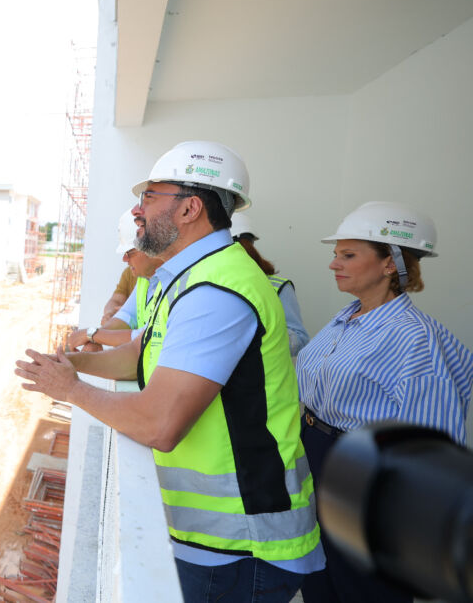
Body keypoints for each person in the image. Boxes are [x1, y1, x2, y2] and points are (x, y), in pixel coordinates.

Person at [16, 141, 323, 603]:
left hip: (241, 545)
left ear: (190, 208)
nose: (137, 210)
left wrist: (72, 389)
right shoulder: (187, 278)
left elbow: (160, 424)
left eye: (150, 196)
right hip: (217, 541)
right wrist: (74, 363)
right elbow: (140, 354)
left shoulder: (217, 290)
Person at [295, 201, 473, 603]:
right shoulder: (346, 319)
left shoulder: (416, 339)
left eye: (348, 255)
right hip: (318, 460)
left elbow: (432, 440)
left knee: (363, 588)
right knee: (320, 580)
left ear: (390, 264)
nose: (334, 264)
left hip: (365, 476)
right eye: (335, 254)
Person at [66, 209, 162, 351]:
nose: (125, 259)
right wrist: (94, 336)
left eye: (129, 252)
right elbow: (126, 315)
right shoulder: (145, 279)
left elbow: (146, 337)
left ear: (151, 248)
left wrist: (93, 335)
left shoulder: (174, 282)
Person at [230, 212, 310, 355]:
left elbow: (300, 339)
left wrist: (256, 334)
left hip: (266, 375)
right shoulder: (211, 282)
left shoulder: (278, 287)